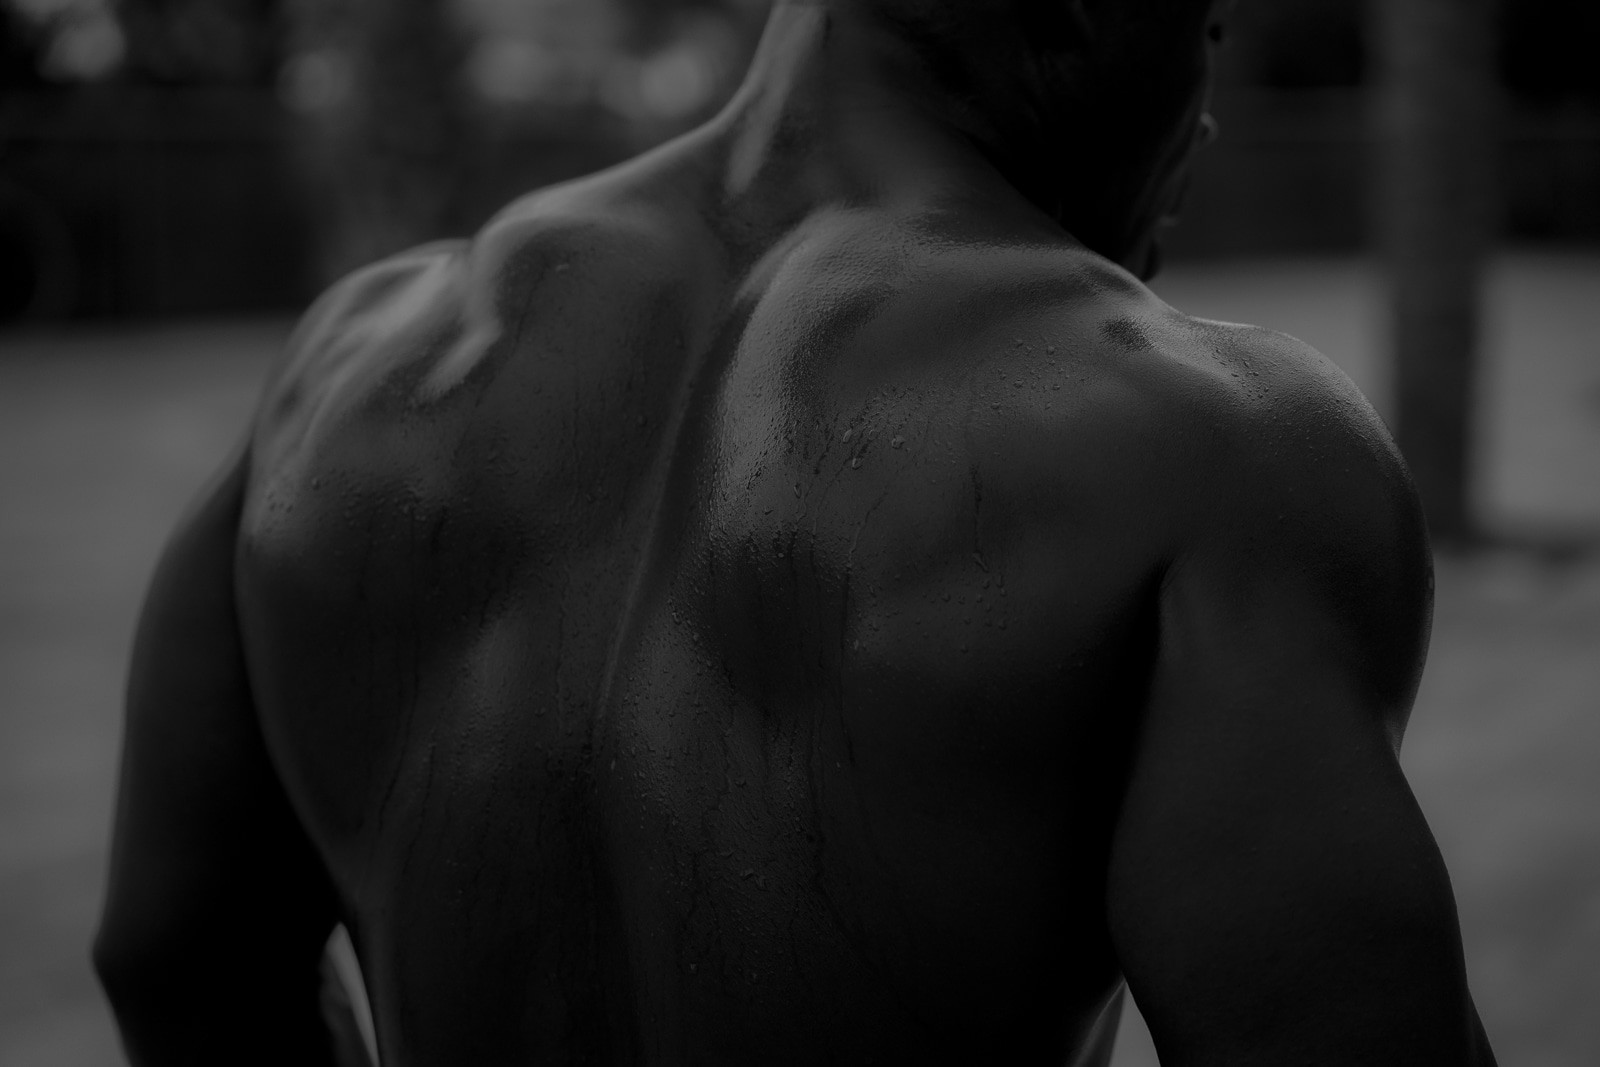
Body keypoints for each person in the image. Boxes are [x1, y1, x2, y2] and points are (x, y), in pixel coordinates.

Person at [94, 0, 1500, 1063]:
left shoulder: (348, 369)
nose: (1201, 119)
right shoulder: (1207, 440)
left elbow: (175, 958)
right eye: (1202, 23)